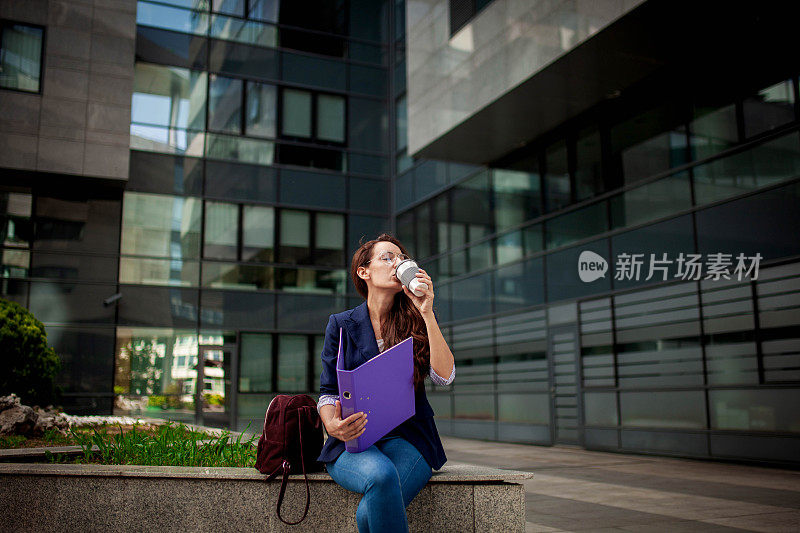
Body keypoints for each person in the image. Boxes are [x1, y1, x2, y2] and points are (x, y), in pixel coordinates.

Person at [316, 233, 456, 533]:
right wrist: (332, 425)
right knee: (380, 476)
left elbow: (444, 376)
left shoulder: (415, 319)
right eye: (387, 257)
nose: (397, 263)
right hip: (355, 437)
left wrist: (428, 312)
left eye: (402, 258)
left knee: (369, 514)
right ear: (363, 271)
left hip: (411, 438)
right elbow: (327, 393)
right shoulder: (340, 324)